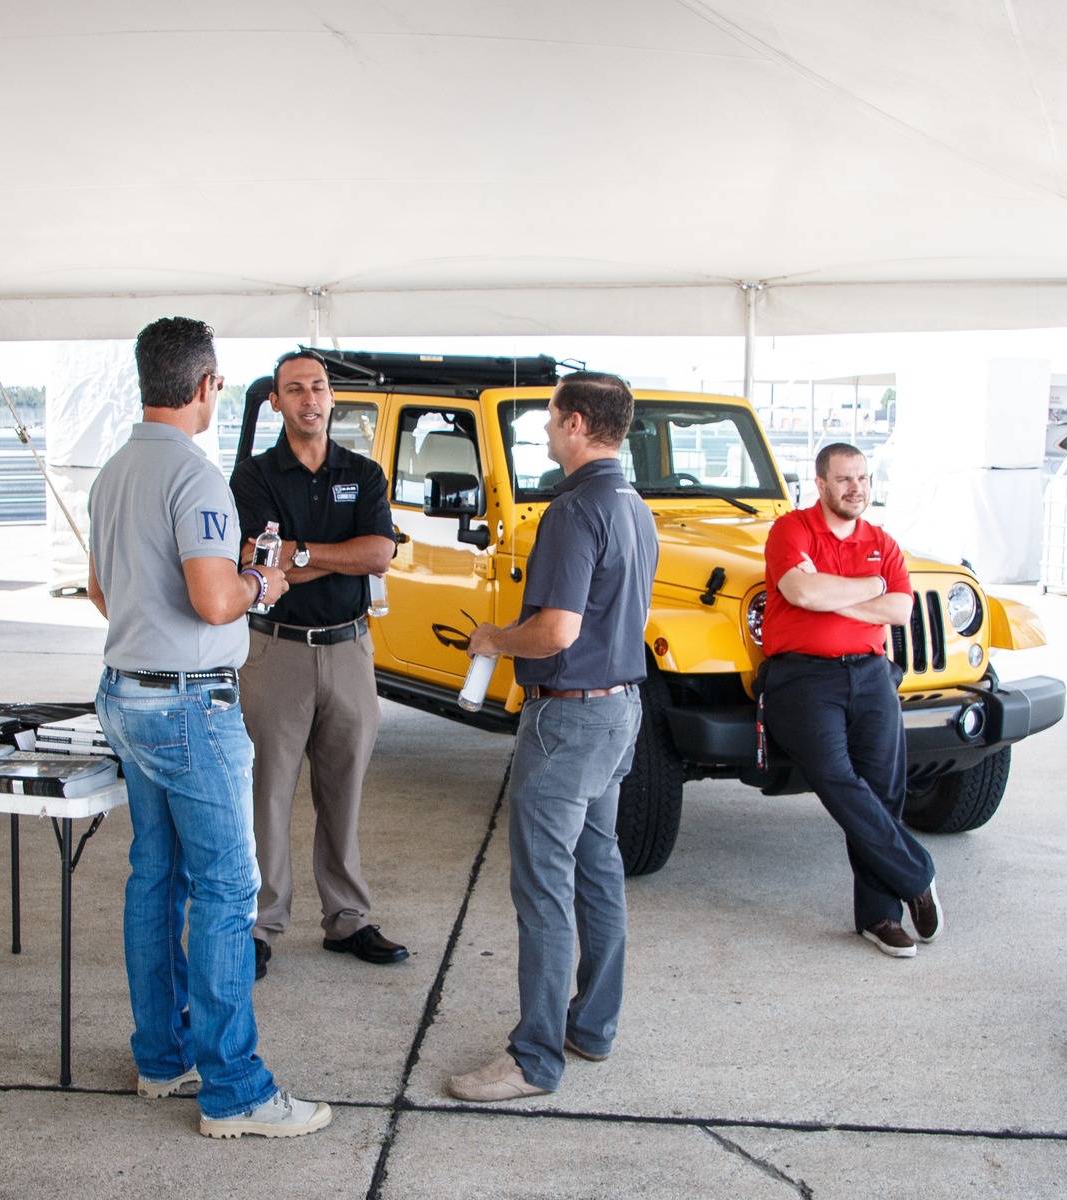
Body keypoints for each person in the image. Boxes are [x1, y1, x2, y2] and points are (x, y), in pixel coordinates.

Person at [87, 316, 330, 1139]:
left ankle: (163, 1057)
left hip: (127, 693)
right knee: (227, 890)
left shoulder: (114, 471)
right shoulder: (195, 477)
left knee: (156, 878)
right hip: (190, 705)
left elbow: (101, 591)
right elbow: (215, 599)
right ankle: (236, 1092)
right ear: (205, 385)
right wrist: (262, 581)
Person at [447, 371, 658, 1103]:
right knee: (597, 869)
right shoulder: (634, 507)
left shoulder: (573, 511)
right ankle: (591, 1026)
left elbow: (556, 630)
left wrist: (493, 639)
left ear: (575, 423)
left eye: (549, 417)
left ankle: (534, 1059)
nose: (543, 429)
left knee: (543, 887)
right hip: (619, 709)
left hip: (568, 718)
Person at [230, 351, 404, 978]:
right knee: (268, 795)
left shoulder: (363, 472)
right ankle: (260, 925)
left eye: (319, 387)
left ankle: (347, 919)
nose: (310, 398)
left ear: (332, 398)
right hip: (274, 651)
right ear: (275, 401)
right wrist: (333, 554)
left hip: (349, 651)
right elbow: (254, 558)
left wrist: (299, 553)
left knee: (344, 792)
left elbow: (379, 553)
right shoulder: (252, 477)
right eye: (295, 389)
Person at [756, 443, 939, 958]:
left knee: (883, 790)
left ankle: (880, 917)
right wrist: (869, 587)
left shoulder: (882, 542)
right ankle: (916, 875)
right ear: (820, 484)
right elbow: (802, 594)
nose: (855, 488)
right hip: (802, 677)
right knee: (837, 778)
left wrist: (835, 595)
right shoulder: (791, 530)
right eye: (843, 479)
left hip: (872, 672)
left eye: (862, 478)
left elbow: (899, 609)